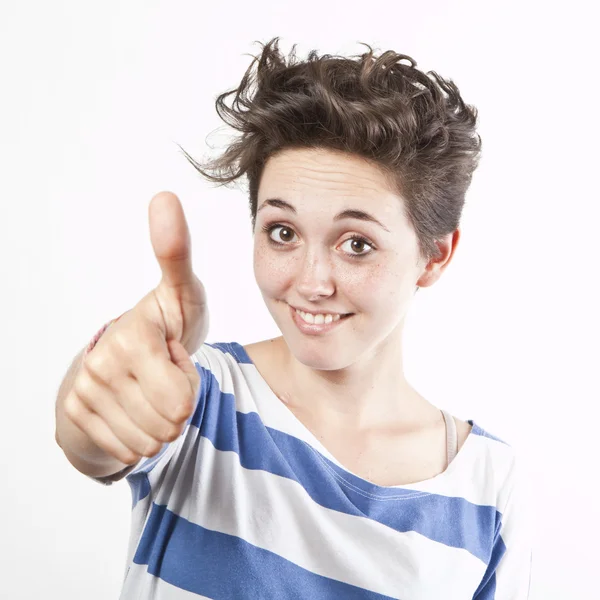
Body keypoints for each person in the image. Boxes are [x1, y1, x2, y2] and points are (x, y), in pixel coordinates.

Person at [55, 38, 532, 599]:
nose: (310, 282)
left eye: (356, 244)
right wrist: (97, 399)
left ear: (435, 255)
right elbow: (94, 439)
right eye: (282, 232)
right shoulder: (195, 394)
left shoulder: (488, 485)